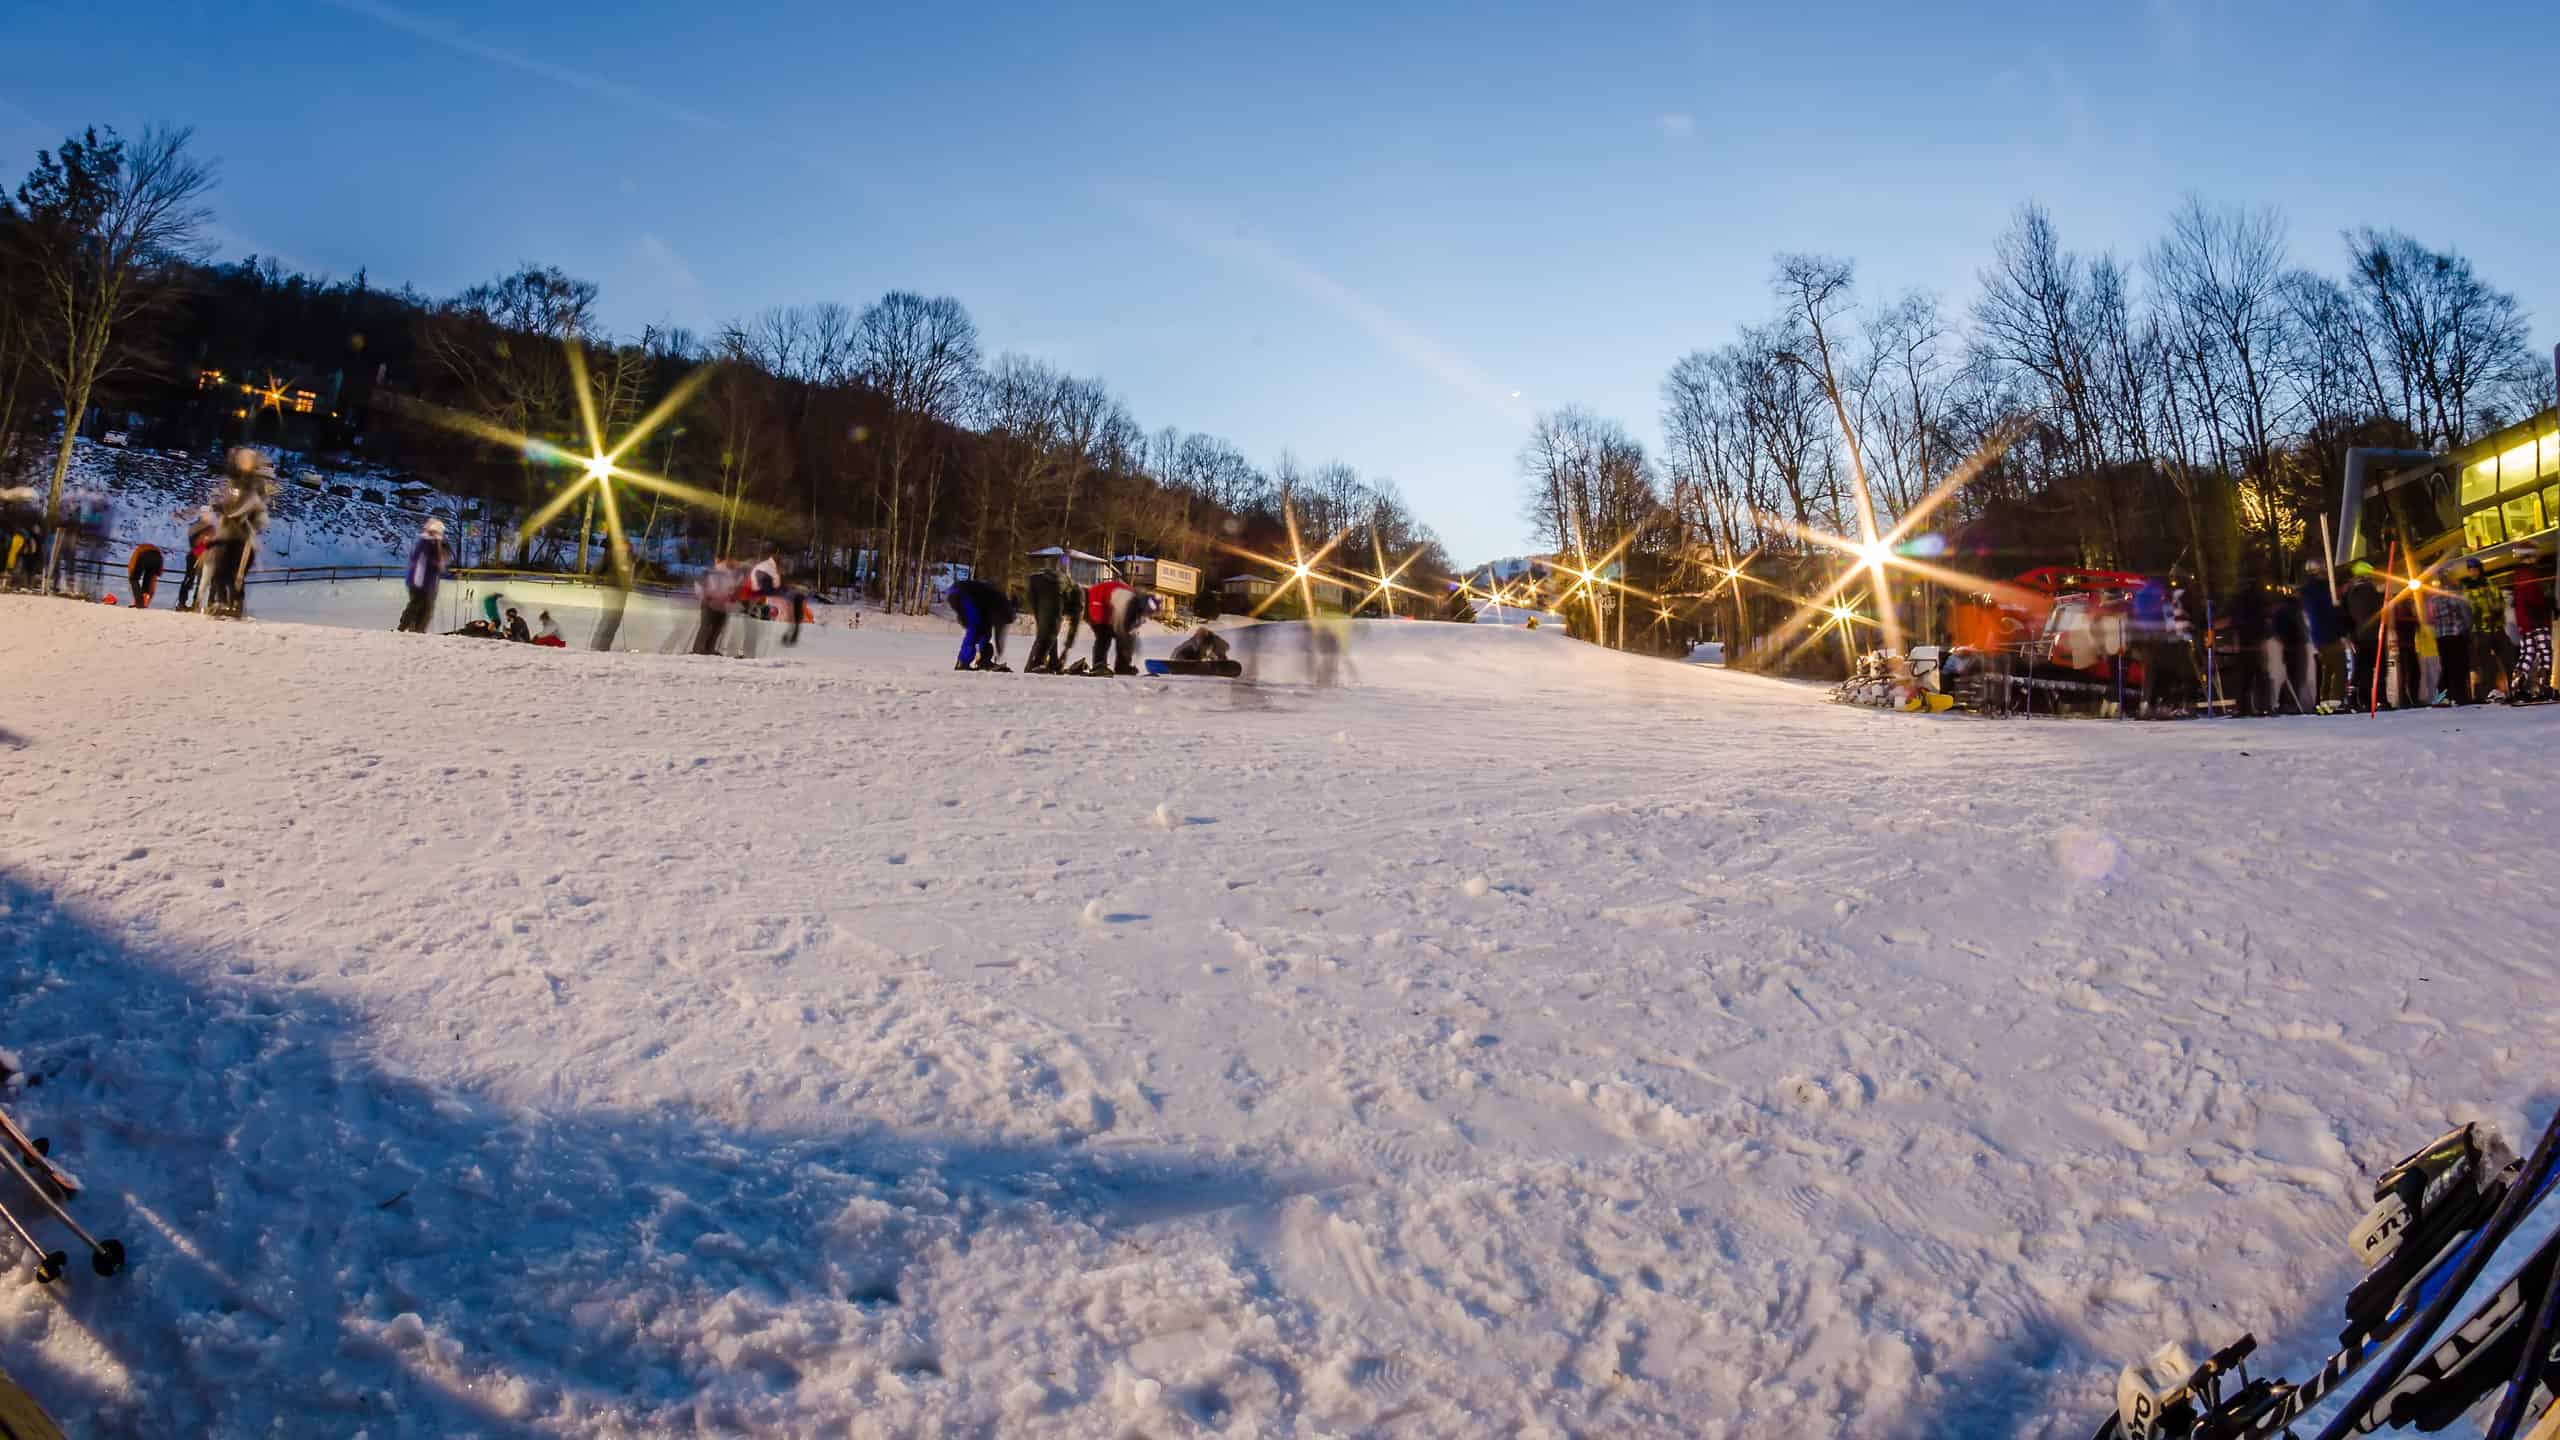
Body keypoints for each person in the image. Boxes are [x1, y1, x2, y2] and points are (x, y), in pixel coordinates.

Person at [204, 458, 270, 619]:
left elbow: (257, 516)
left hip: (241, 541)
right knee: (220, 573)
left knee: (234, 575)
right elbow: (226, 506)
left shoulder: (253, 493)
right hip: (227, 539)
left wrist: (246, 518)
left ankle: (235, 604)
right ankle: (222, 602)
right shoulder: (233, 490)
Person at [1082, 576, 1155, 675]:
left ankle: (1119, 666)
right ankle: (1101, 665)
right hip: (1095, 603)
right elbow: (1120, 626)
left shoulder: (1135, 602)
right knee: (1105, 636)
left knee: (1123, 636)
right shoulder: (1126, 599)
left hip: (1106, 606)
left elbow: (1128, 626)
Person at [946, 577, 1015, 671]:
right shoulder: (999, 603)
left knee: (984, 631)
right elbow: (998, 634)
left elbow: (988, 627)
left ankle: (983, 661)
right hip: (962, 593)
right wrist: (999, 651)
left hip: (960, 594)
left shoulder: (997, 605)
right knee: (974, 628)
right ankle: (963, 662)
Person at [2515, 545, 2554, 703]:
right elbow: (2535, 598)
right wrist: (2547, 605)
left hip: (2525, 623)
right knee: (2545, 653)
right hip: (2536, 620)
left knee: (2527, 654)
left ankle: (2518, 686)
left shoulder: (2518, 574)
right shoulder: (2530, 574)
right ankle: (2543, 686)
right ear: (2529, 556)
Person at [2423, 576, 2471, 706]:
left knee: (2447, 667)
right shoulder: (2457, 598)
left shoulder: (2433, 600)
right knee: (2459, 666)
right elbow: (2466, 615)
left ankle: (2442, 697)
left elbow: (2428, 619)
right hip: (2457, 635)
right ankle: (2460, 696)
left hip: (2441, 637)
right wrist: (2467, 629)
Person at [2343, 562, 2384, 711]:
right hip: (2371, 635)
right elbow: (2377, 610)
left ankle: (2356, 699)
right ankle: (2374, 699)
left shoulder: (2350, 592)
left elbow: (2346, 614)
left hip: (2358, 635)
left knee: (2360, 669)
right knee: (2374, 669)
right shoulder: (2368, 590)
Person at [397, 518, 448, 633]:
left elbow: (438, 561)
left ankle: (418, 630)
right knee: (417, 605)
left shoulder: (434, 544)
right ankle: (404, 628)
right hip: (419, 582)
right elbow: (421, 562)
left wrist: (440, 563)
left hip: (427, 583)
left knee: (426, 608)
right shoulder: (425, 542)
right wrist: (436, 563)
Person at [1024, 563, 1071, 674]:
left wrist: (1036, 610)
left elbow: (1031, 597)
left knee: (1047, 634)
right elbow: (1068, 598)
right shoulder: (1062, 580)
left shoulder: (1035, 579)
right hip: (1053, 609)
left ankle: (1053, 662)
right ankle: (1037, 663)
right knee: (1050, 633)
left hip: (1040, 608)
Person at [692, 558, 738, 656]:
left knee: (717, 627)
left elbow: (731, 588)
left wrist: (731, 595)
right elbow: (699, 585)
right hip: (710, 602)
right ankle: (699, 648)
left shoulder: (730, 574)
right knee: (707, 626)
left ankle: (710, 648)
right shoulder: (709, 572)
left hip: (722, 604)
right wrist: (703, 596)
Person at [176, 506, 215, 610]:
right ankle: (181, 602)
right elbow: (193, 542)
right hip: (194, 556)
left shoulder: (212, 528)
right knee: (189, 579)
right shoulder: (195, 527)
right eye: (207, 514)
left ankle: (197, 603)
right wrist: (202, 541)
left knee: (202, 581)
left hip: (206, 557)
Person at [127, 542, 164, 609]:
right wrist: (159, 572)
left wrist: (131, 575)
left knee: (134, 579)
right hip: (157, 558)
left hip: (144, 555)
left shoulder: (139, 549)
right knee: (148, 579)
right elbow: (160, 558)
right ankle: (144, 602)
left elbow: (132, 563)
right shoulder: (153, 549)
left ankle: (139, 603)